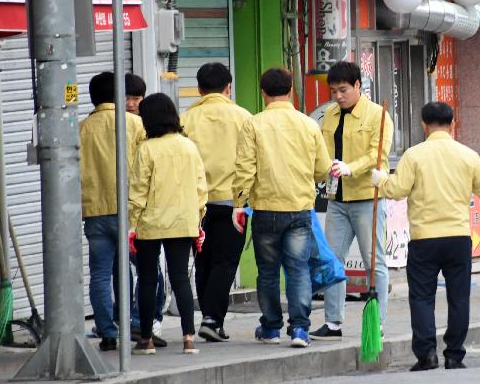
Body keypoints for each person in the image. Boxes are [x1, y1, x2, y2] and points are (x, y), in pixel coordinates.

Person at [372, 102, 480, 371]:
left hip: (424, 238)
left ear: (424, 125)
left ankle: (426, 354)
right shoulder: (468, 155)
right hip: (458, 238)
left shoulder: (414, 155)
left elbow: (396, 190)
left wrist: (381, 179)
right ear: (453, 124)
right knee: (459, 297)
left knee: (421, 297)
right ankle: (454, 354)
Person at [231, 68, 331, 348]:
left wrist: (239, 203)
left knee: (268, 271)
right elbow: (322, 169)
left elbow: (244, 169)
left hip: (265, 209)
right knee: (298, 269)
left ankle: (271, 327)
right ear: (290, 91)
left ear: (263, 93)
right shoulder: (308, 124)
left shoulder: (253, 124)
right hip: (299, 208)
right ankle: (300, 329)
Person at [311, 62, 394, 341]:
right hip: (337, 198)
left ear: (358, 86)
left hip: (367, 198)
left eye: (343, 90)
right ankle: (333, 322)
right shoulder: (331, 116)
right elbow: (322, 151)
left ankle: (377, 321)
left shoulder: (378, 116)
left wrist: (351, 167)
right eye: (333, 91)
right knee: (332, 260)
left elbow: (377, 154)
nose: (338, 96)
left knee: (375, 262)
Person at [129, 93, 207, 355]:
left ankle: (147, 339)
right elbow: (200, 188)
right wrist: (198, 218)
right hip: (184, 222)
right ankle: (188, 338)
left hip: (150, 224)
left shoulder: (146, 149)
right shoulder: (189, 146)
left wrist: (132, 224)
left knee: (148, 279)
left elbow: (138, 190)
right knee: (181, 279)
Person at [181, 63, 251, 342]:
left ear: (199, 89)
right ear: (228, 88)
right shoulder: (244, 118)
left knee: (203, 261)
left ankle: (209, 317)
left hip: (196, 204)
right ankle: (212, 318)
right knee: (225, 262)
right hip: (233, 204)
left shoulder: (185, 119)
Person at [79, 72, 145, 352]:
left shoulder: (81, 128)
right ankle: (132, 323)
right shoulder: (134, 124)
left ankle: (107, 332)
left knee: (100, 273)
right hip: (128, 211)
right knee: (136, 269)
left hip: (95, 211)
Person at [125, 73, 167, 348]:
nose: (130, 103)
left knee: (143, 268)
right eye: (126, 98)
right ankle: (140, 320)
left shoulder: (146, 128)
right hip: (134, 207)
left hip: (141, 209)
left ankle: (142, 320)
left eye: (136, 99)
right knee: (145, 268)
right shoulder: (137, 127)